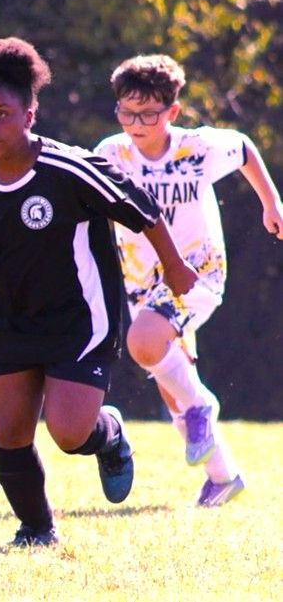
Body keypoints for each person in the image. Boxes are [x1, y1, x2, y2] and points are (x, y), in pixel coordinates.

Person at [0, 37, 198, 547]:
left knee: (68, 432)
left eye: (1, 114)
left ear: (29, 113)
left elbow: (142, 209)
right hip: (6, 321)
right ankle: (37, 528)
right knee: (10, 434)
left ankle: (109, 434)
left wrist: (174, 264)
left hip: (80, 319)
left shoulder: (71, 169)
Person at [95, 54, 283, 507]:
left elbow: (243, 149)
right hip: (141, 280)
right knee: (170, 382)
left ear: (172, 112)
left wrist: (271, 203)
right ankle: (223, 476)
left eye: (149, 114)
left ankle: (203, 406)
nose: (136, 123)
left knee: (143, 344)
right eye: (127, 112)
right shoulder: (111, 153)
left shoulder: (197, 147)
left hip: (197, 272)